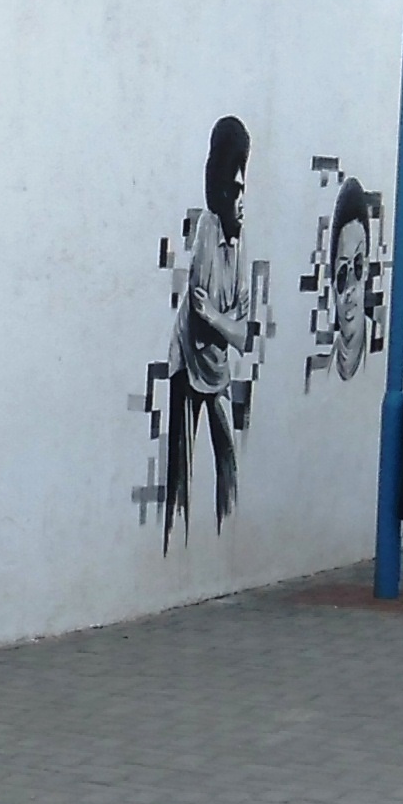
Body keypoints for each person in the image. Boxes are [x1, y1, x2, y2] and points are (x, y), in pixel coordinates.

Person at [166, 117, 254, 548]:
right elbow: (200, 314)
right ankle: (175, 542)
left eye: (244, 189)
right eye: (235, 190)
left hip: (217, 369)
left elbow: (242, 334)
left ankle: (225, 540)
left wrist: (222, 322)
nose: (242, 200)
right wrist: (224, 322)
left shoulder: (240, 243)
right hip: (188, 363)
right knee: (181, 472)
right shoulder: (206, 228)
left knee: (228, 459)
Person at [325, 180, 376, 380]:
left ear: (367, 270)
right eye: (342, 273)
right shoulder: (325, 369)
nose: (349, 288)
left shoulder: (377, 356)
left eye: (358, 266)